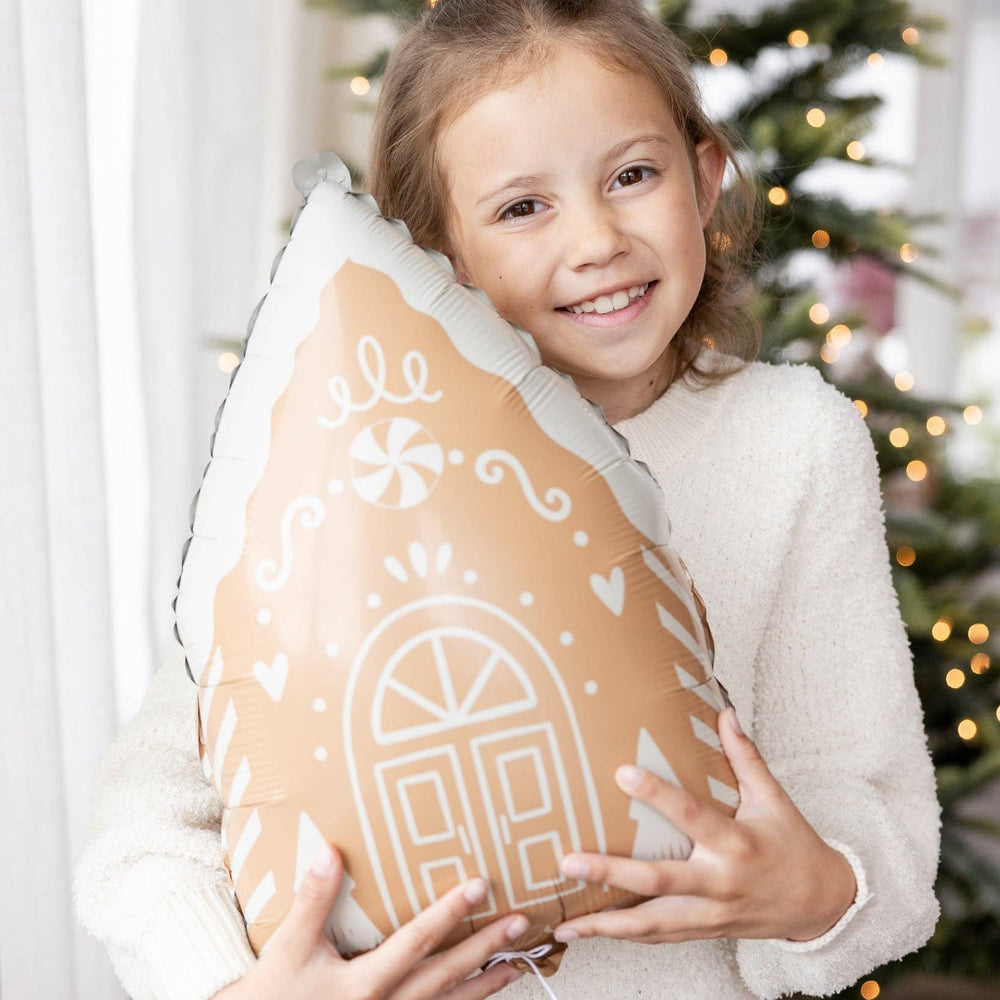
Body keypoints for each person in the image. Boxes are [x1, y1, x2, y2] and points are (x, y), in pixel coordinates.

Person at [72, 1, 943, 999]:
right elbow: (145, 821)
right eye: (522, 207)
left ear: (703, 177)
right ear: (432, 246)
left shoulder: (793, 439)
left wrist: (817, 890)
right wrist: (237, 987)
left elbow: (868, 803)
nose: (597, 239)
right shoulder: (345, 463)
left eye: (631, 175)